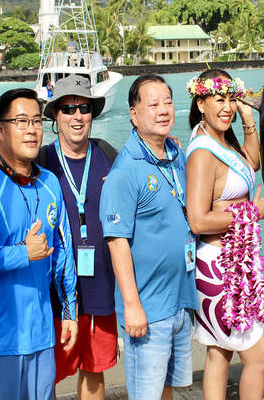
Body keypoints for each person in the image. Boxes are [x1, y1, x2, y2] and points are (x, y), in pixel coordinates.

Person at [0, 88, 78, 400]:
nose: (31, 129)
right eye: (21, 121)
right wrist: (22, 253)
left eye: (36, 121)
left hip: (41, 336)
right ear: (1, 129)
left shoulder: (49, 183)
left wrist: (70, 312)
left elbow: (63, 253)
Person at [100, 74, 199, 400]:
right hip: (148, 308)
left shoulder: (176, 155)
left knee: (167, 388)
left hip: (181, 302)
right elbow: (116, 242)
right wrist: (132, 306)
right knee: (146, 394)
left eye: (167, 102)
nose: (163, 110)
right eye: (153, 104)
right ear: (134, 114)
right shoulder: (125, 171)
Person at [184, 69, 264, 399]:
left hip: (235, 261)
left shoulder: (222, 142)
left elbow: (251, 163)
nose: (227, 107)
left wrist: (248, 120)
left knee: (218, 354)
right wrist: (253, 212)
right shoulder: (203, 153)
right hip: (219, 269)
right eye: (219, 100)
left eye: (231, 99)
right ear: (201, 103)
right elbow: (198, 220)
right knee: (260, 355)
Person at [38, 76, 119, 400]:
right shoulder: (41, 161)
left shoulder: (108, 154)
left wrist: (170, 149)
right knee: (46, 377)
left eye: (84, 108)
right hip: (55, 292)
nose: (77, 116)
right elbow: (6, 174)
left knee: (94, 371)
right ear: (55, 116)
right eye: (68, 109)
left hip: (99, 286)